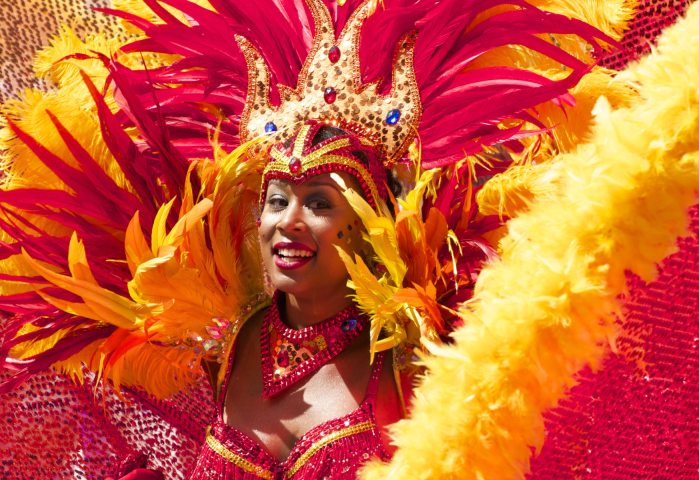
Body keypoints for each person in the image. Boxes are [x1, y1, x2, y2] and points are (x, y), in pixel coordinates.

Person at [0, 0, 637, 478]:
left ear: (369, 222)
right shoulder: (228, 335)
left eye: (320, 203)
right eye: (278, 200)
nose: (289, 221)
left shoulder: (417, 356)